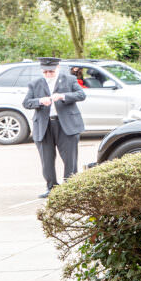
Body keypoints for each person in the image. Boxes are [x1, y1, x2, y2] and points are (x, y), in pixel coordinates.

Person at [22, 58, 86, 198]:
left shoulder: (69, 79)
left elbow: (81, 95)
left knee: (70, 158)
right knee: (47, 159)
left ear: (57, 68)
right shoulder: (35, 83)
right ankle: (51, 187)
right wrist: (39, 101)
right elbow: (26, 103)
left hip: (66, 124)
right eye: (45, 71)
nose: (48, 74)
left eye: (51, 71)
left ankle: (70, 187)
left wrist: (63, 96)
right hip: (44, 126)